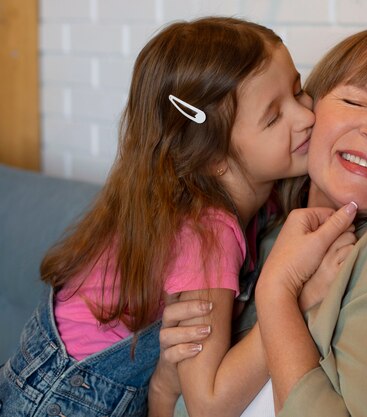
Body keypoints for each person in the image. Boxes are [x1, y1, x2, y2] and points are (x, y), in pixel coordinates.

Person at [153, 26, 367, 416]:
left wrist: (280, 294)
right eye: (354, 100)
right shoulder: (265, 230)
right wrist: (166, 381)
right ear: (312, 115)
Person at [0, 17, 316, 417]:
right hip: (66, 400)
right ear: (213, 157)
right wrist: (290, 300)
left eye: (298, 91)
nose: (305, 116)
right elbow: (210, 403)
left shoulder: (254, 196)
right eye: (273, 117)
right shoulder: (209, 233)